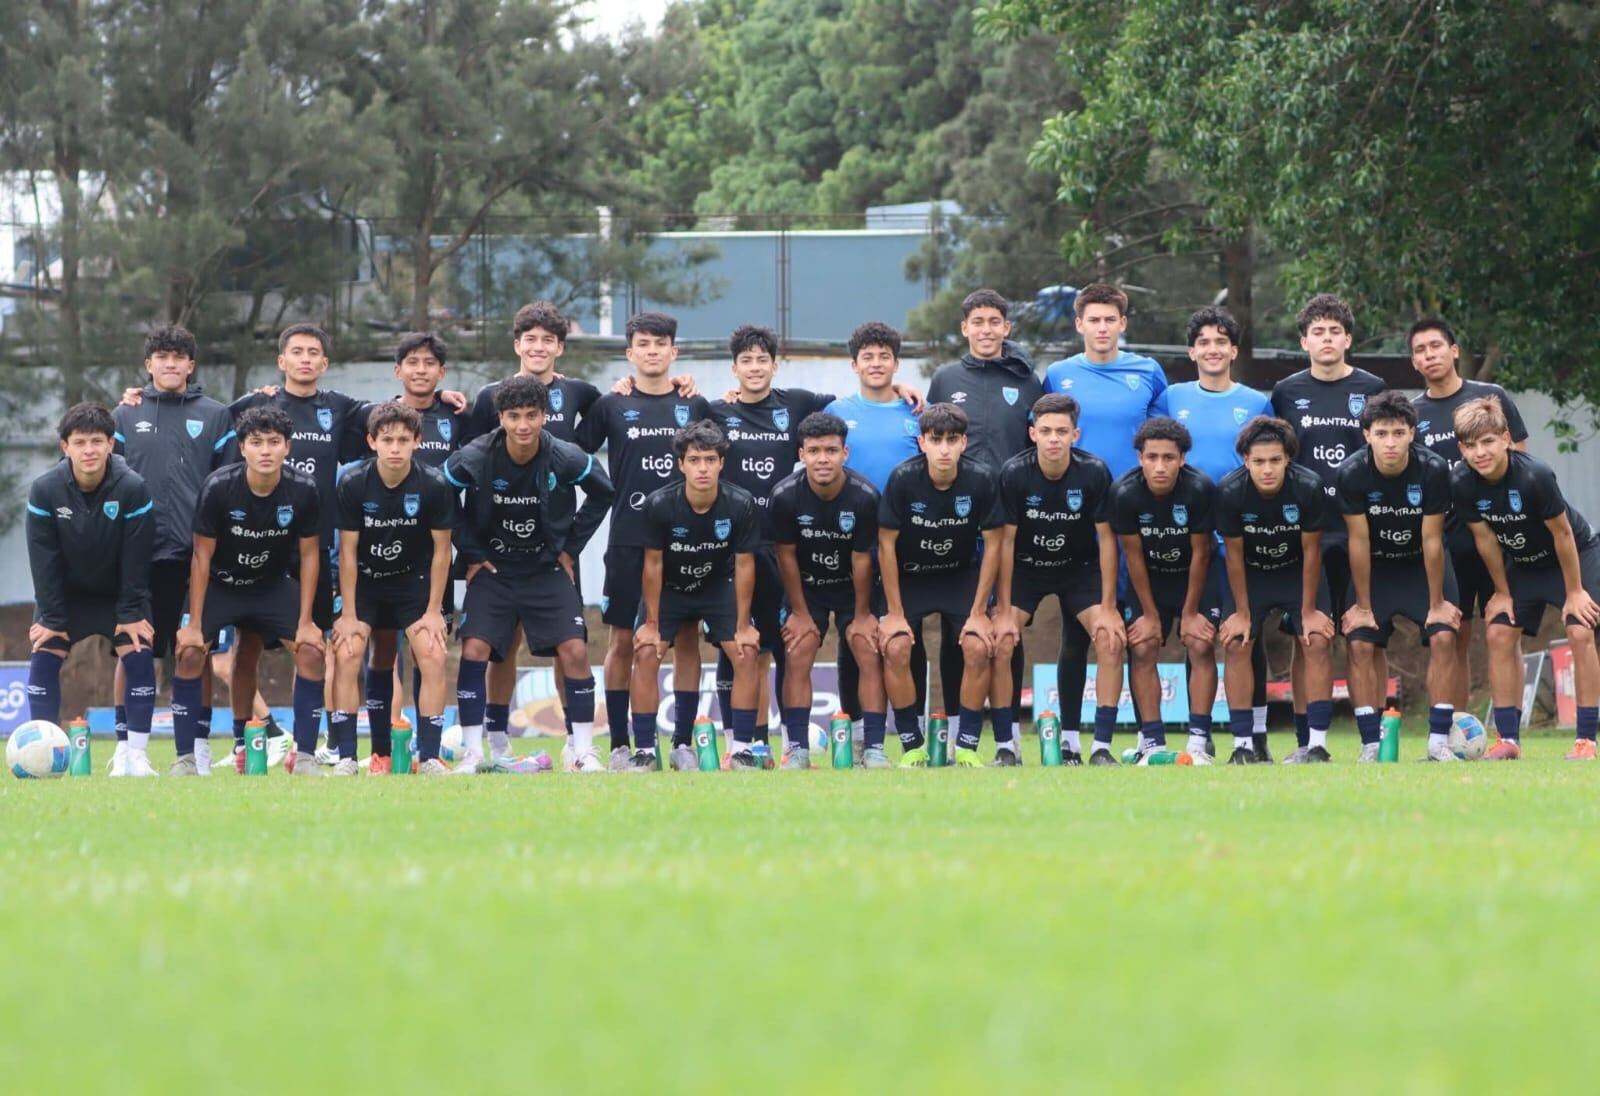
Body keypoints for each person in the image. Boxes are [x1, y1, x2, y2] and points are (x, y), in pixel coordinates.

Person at [444, 375, 615, 774]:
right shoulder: (477, 455)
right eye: (514, 416)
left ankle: (583, 751)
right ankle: (475, 752)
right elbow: (441, 492)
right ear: (501, 417)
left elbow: (604, 491)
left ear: (544, 417)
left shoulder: (564, 456)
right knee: (475, 651)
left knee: (573, 649)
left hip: (545, 568)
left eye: (532, 416)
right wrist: (469, 551)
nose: (523, 425)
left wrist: (570, 548)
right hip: (495, 568)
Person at [576, 312, 712, 769]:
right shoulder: (611, 405)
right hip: (630, 539)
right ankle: (621, 744)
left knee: (687, 638)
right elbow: (569, 450)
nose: (652, 351)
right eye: (643, 344)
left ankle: (683, 744)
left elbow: (718, 453)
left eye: (661, 344)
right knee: (622, 640)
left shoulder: (694, 404)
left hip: (686, 544)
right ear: (629, 352)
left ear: (674, 352)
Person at [111, 324, 239, 775]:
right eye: (161, 356)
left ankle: (195, 750)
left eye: (178, 356)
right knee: (132, 649)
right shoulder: (125, 415)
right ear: (148, 366)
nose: (169, 363)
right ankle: (126, 748)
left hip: (195, 556)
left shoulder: (216, 415)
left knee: (194, 650)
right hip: (138, 555)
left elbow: (229, 485)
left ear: (191, 365)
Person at [169, 407, 326, 775]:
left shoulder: (303, 489)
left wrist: (306, 621)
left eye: (274, 442)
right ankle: (187, 756)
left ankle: (304, 756)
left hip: (270, 586)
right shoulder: (219, 487)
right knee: (191, 653)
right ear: (243, 448)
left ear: (287, 446)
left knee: (312, 652)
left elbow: (309, 557)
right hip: (221, 585)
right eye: (257, 443)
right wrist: (193, 624)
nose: (266, 450)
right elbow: (201, 558)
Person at [705, 326, 837, 750]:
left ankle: (793, 745)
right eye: (747, 360)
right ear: (734, 368)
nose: (755, 367)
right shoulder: (714, 412)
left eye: (763, 360)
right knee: (737, 648)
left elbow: (849, 408)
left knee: (786, 645)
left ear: (774, 366)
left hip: (782, 549)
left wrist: (903, 388)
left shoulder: (797, 404)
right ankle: (741, 745)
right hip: (731, 551)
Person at [1269, 294, 1386, 758]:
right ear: (1304, 341)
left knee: (1365, 638)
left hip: (1361, 529)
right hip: (1307, 533)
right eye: (1318, 331)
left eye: (1335, 331)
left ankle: (1372, 743)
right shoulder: (1286, 391)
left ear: (1348, 339)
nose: (1327, 338)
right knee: (1309, 636)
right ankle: (1309, 742)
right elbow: (1275, 459)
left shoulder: (1372, 386)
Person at [1450, 397, 1600, 761]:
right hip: (1523, 565)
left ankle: (1585, 741)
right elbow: (1485, 538)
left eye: (1487, 442)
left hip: (1573, 556)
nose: (1480, 453)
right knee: (1499, 631)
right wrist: (1501, 592)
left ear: (1505, 438)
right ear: (1461, 449)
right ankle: (1508, 740)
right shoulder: (1461, 481)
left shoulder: (1535, 475)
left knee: (1580, 630)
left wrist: (1575, 592)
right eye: (1470, 446)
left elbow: (1564, 535)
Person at [1155, 306, 1274, 755]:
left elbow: (1270, 459)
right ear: (1191, 351)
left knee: (1248, 634)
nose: (1212, 349)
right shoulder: (1172, 397)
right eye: (1204, 342)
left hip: (1243, 541)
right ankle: (1199, 738)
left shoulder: (1256, 402)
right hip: (1191, 542)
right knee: (1200, 638)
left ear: (1234, 350)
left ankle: (1254, 737)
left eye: (1221, 341)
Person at [926, 291, 1040, 744]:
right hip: (960, 523)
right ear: (965, 329)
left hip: (1015, 522)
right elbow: (930, 431)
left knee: (1008, 623)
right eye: (978, 321)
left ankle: (1007, 735)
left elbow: (1042, 436)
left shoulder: (1029, 379)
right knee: (962, 627)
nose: (987, 329)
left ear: (1007, 328)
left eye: (995, 321)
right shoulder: (945, 377)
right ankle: (958, 730)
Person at [25, 404, 157, 776]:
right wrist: (51, 618)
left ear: (111, 444)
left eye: (97, 441)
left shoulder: (132, 487)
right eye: (79, 442)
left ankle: (136, 755)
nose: (89, 450)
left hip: (119, 595)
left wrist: (131, 613)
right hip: (67, 598)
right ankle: (41, 752)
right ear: (64, 446)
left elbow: (137, 557)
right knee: (44, 653)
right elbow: (43, 560)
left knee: (138, 652)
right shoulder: (45, 489)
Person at [328, 402, 458, 775]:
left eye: (404, 439)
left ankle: (430, 756)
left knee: (432, 653)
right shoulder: (353, 483)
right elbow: (348, 553)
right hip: (366, 582)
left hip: (412, 582)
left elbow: (441, 551)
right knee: (351, 651)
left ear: (418, 441)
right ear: (372, 441)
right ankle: (349, 758)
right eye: (388, 440)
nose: (396, 447)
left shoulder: (433, 484)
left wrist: (434, 611)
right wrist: (349, 615)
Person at [994, 394, 1123, 765]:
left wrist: (1111, 607)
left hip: (1079, 569)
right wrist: (1002, 609)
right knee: (1002, 639)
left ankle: (1095, 746)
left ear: (1075, 434)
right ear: (1032, 433)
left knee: (1110, 639)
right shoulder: (1014, 473)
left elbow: (1106, 539)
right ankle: (1007, 744)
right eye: (1046, 431)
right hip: (1026, 567)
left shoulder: (1094, 471)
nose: (1054, 439)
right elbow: (1004, 541)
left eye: (1061, 431)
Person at [1408, 317, 1530, 709]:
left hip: (1500, 536)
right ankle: (1451, 735)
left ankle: (1508, 735)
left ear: (1454, 350)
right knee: (1449, 636)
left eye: (1435, 346)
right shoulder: (1413, 415)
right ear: (1414, 362)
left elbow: (1522, 461)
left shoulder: (1489, 396)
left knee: (1504, 630)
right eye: (1420, 351)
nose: (1429, 356)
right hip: (1447, 542)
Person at [627, 420, 763, 770]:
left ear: (722, 463)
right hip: (670, 588)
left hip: (717, 585)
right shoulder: (659, 504)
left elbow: (746, 564)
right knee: (645, 651)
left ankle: (743, 749)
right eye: (695, 460)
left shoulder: (741, 503)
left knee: (746, 651)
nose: (702, 468)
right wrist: (653, 623)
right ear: (681, 464)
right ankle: (644, 751)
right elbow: (652, 565)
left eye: (709, 460)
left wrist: (744, 623)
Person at [360, 331, 467, 769]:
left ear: (441, 373)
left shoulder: (462, 414)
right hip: (380, 555)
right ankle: (386, 748)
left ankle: (431, 750)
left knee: (431, 649)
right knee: (383, 652)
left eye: (429, 364)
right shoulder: (373, 417)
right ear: (398, 370)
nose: (420, 370)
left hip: (434, 555)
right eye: (412, 362)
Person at [878, 403, 1006, 768]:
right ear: (922, 443)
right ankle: (912, 746)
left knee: (979, 647)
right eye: (936, 440)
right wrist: (894, 612)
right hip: (911, 577)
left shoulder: (981, 478)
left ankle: (965, 745)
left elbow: (994, 543)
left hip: (958, 576)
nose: (945, 448)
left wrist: (981, 612)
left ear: (964, 442)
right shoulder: (903, 479)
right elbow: (886, 544)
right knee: (897, 646)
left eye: (952, 440)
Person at [1335, 391, 1460, 762]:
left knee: (1444, 637)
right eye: (1382, 433)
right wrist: (1362, 605)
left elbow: (1433, 538)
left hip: (1421, 565)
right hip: (1375, 567)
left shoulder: (1434, 468)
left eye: (1399, 433)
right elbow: (1357, 540)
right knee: (1359, 643)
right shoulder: (1352, 472)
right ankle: (1370, 744)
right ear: (1367, 434)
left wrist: (1437, 604)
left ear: (1412, 434)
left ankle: (1439, 742)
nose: (1390, 442)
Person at [823, 320, 922, 750]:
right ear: (854, 364)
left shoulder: (916, 411)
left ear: (897, 364)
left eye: (885, 356)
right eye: (868, 357)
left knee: (905, 631)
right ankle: (861, 726)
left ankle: (911, 726)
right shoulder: (836, 413)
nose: (877, 363)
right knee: (856, 632)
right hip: (851, 542)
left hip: (907, 542)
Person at [1214, 417, 1335, 763]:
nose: (1267, 469)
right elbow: (1233, 555)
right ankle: (1242, 745)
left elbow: (1312, 551)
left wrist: (1309, 612)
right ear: (1245, 460)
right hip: (1252, 575)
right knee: (1237, 643)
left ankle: (1316, 744)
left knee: (1317, 639)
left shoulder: (1308, 487)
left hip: (1297, 573)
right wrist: (1241, 613)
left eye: (1275, 461)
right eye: (1258, 462)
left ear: (1288, 460)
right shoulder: (1229, 491)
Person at [770, 412, 883, 768]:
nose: (823, 459)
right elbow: (785, 557)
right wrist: (801, 613)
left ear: (844, 454)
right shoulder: (785, 496)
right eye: (814, 451)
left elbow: (863, 559)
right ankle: (798, 749)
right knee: (799, 649)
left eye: (831, 450)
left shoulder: (865, 496)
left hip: (854, 588)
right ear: (801, 454)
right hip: (808, 588)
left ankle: (875, 746)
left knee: (867, 648)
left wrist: (863, 615)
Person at [1108, 418, 1222, 763]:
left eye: (1169, 458)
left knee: (1201, 644)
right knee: (1142, 646)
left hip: (1195, 577)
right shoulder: (1124, 492)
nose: (1160, 466)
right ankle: (1152, 742)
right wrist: (1151, 616)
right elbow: (1134, 556)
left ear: (1182, 459)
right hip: (1150, 581)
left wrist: (1189, 614)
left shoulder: (1200, 488)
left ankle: (1199, 742)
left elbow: (1202, 553)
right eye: (1152, 457)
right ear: (1140, 458)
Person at [1041, 283, 1167, 479]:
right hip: (1076, 494)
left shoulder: (1148, 371)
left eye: (1110, 320)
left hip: (1133, 494)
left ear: (1122, 323)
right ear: (1079, 324)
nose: (1102, 328)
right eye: (1094, 320)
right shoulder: (1057, 374)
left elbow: (1165, 436)